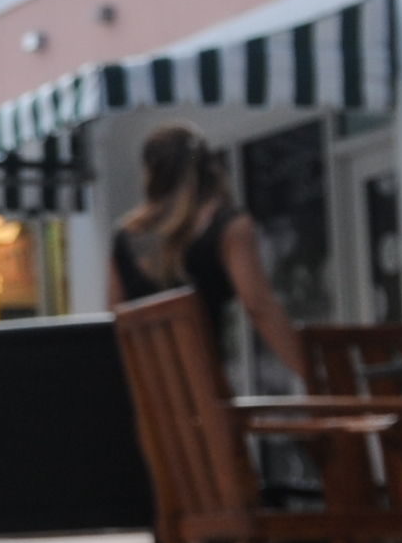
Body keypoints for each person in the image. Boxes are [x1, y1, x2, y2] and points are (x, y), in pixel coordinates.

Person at [106, 123, 312, 386]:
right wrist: (313, 375)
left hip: (145, 399)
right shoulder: (228, 227)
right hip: (205, 393)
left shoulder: (125, 236)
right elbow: (258, 306)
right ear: (209, 166)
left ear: (149, 173)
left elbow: (115, 320)